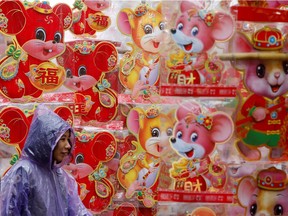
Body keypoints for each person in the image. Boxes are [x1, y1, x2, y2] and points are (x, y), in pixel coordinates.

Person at [0, 105, 92, 216]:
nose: (68, 145)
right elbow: (7, 211)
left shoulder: (61, 176)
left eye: (68, 139)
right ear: (45, 140)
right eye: (62, 139)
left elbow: (77, 211)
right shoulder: (24, 171)